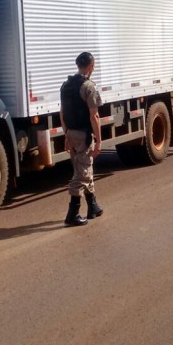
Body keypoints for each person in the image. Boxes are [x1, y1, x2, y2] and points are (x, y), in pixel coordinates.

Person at [59, 52, 104, 226]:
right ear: (91, 66)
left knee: (84, 168)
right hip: (83, 135)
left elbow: (62, 113)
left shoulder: (66, 85)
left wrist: (66, 134)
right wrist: (99, 141)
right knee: (82, 174)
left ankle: (93, 206)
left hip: (71, 132)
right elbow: (95, 116)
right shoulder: (88, 86)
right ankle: (72, 214)